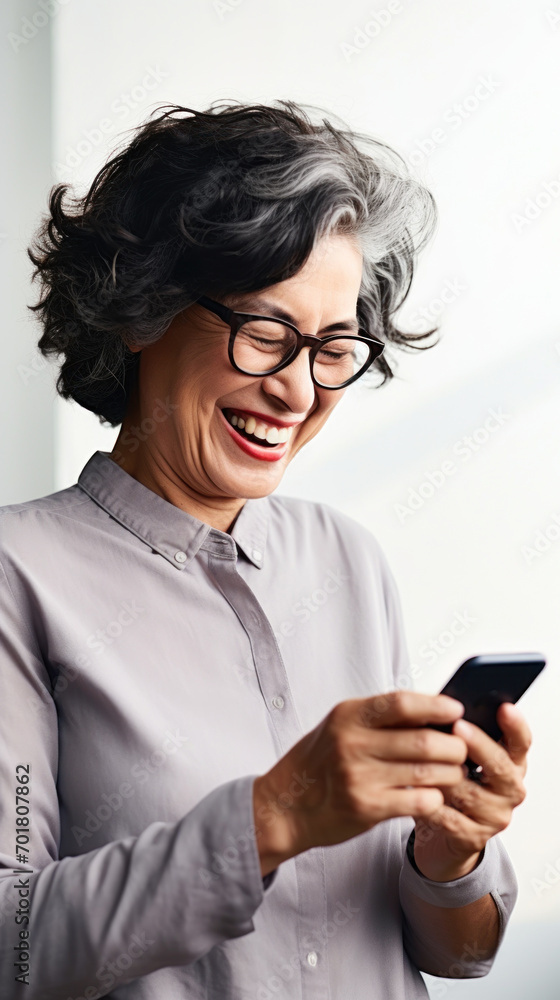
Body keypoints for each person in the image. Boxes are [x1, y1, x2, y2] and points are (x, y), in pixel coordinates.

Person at [0, 101, 529, 999]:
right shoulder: (19, 574)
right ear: (142, 311)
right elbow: (13, 952)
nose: (296, 390)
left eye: (332, 348)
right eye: (266, 334)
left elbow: (460, 954)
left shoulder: (348, 558)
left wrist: (451, 851)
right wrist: (276, 814)